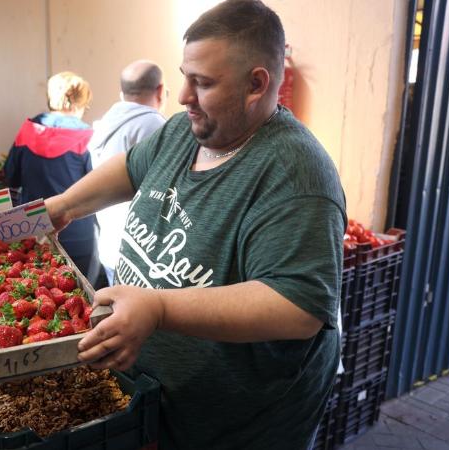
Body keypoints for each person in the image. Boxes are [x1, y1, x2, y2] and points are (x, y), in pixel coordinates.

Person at [46, 1, 346, 448]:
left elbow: (298, 307)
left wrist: (159, 308)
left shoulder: (296, 175)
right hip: (154, 408)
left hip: (233, 431)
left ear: (256, 84)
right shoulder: (188, 129)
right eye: (185, 75)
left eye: (202, 83)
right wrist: (65, 206)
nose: (184, 95)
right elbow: (132, 167)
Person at [4, 71, 103, 285]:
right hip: (78, 235)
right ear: (79, 103)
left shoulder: (29, 130)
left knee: (37, 297)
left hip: (33, 228)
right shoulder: (89, 137)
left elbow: (10, 176)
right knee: (79, 297)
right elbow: (99, 188)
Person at [89, 60, 167, 285]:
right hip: (140, 251)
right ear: (160, 90)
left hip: (109, 243)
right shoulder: (153, 125)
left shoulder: (107, 122)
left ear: (121, 93)